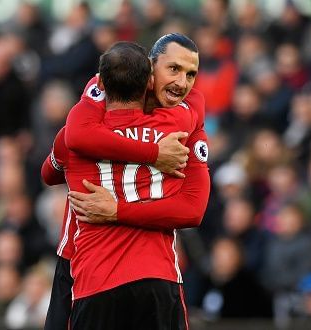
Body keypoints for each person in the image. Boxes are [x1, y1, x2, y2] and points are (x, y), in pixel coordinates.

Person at [42, 36, 208, 329]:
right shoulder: (181, 130)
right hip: (105, 270)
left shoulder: (82, 124)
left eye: (190, 74)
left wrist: (117, 210)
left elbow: (50, 171)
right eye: (174, 69)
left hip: (93, 274)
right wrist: (154, 154)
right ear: (150, 73)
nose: (182, 83)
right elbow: (192, 210)